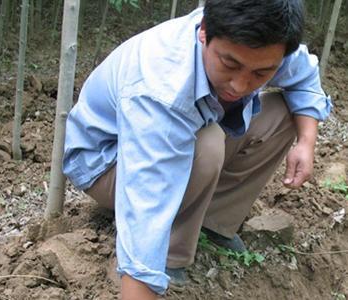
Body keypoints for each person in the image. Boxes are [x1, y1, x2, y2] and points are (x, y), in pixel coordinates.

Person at [62, 0, 332, 298]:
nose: (241, 85)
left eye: (261, 73)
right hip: (107, 164)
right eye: (230, 64)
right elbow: (148, 200)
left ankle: (213, 223)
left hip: (184, 137)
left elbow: (305, 79)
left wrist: (306, 143)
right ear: (204, 31)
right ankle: (171, 254)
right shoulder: (161, 88)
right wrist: (140, 276)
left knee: (283, 114)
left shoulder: (269, 46)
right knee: (207, 144)